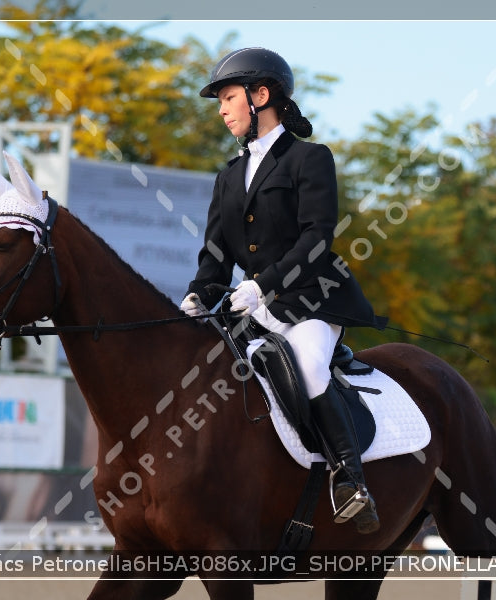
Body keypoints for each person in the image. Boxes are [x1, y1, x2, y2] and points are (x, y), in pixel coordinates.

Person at [180, 47, 387, 534]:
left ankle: (350, 480)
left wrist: (261, 285)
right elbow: (215, 255)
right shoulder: (228, 176)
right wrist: (197, 295)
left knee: (309, 367)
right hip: (251, 308)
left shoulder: (308, 159)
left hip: (309, 301)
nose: (222, 109)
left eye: (228, 97)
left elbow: (317, 239)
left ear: (261, 96)